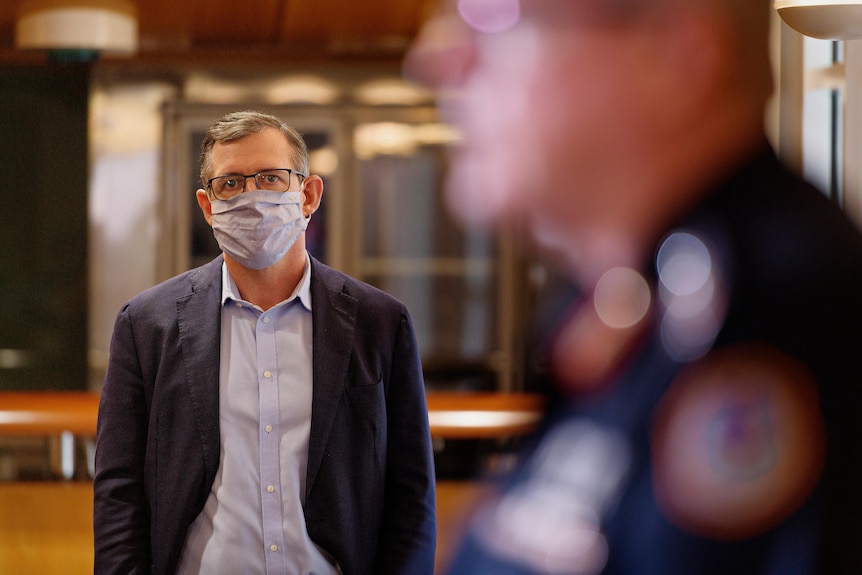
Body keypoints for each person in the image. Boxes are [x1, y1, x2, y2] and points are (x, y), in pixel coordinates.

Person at [406, 0, 862, 573]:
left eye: (497, 16)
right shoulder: (623, 308)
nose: (438, 60)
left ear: (677, 54)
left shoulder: (786, 316)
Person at [93, 110, 437, 575]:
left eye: (271, 178)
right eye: (230, 184)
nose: (251, 196)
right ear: (207, 205)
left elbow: (410, 493)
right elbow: (120, 490)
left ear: (308, 194)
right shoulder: (146, 325)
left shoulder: (379, 323)